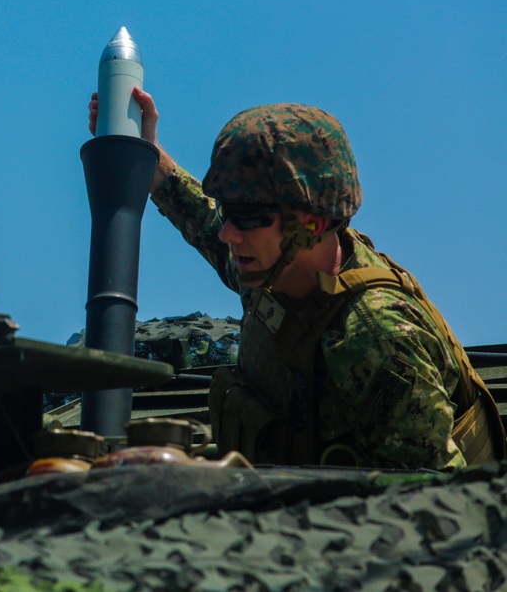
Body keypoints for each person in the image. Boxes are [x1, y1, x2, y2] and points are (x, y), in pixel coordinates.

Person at [89, 90, 505, 469]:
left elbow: (433, 507)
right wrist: (147, 158)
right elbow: (208, 224)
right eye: (228, 211)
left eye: (249, 217)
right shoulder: (276, 263)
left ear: (311, 225)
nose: (228, 233)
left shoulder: (374, 341)